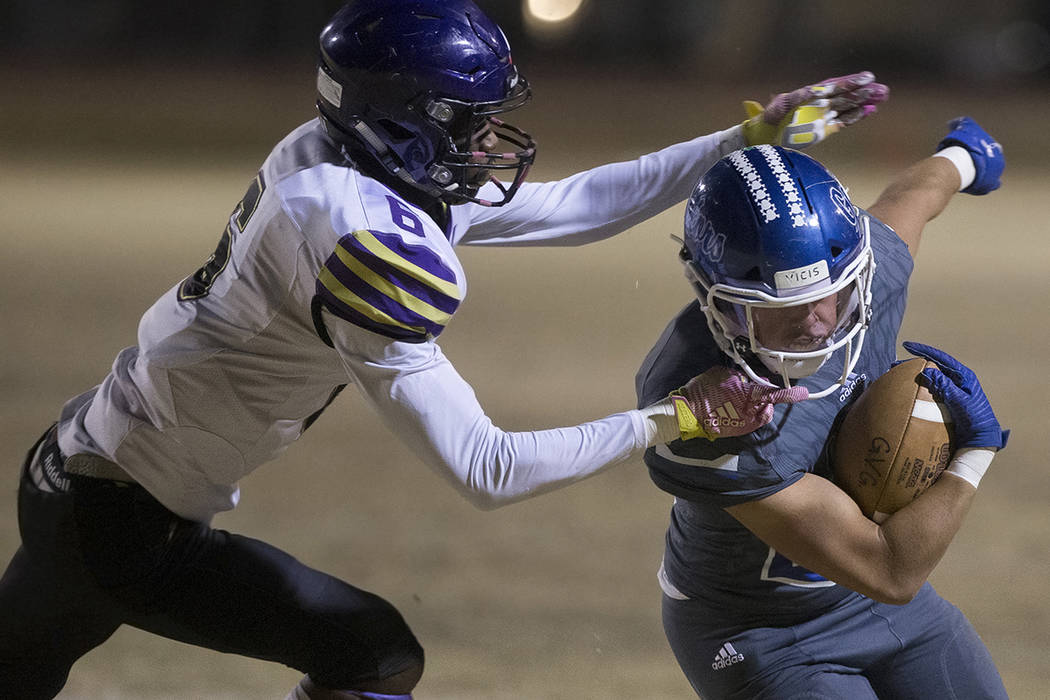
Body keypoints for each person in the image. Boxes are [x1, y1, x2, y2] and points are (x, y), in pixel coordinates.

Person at [0, 1, 888, 698]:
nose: (484, 142)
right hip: (123, 520)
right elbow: (488, 470)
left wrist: (747, 138)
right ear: (402, 120)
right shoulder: (353, 232)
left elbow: (575, 204)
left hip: (81, 466)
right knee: (375, 654)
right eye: (465, 122)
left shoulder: (340, 159)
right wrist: (677, 417)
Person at [636, 117, 1009, 698]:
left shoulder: (868, 273)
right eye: (785, 306)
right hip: (757, 628)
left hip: (860, 599)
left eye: (830, 293)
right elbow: (892, 570)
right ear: (720, 300)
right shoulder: (698, 410)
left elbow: (911, 196)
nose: (817, 321)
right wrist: (975, 453)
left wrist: (966, 156)